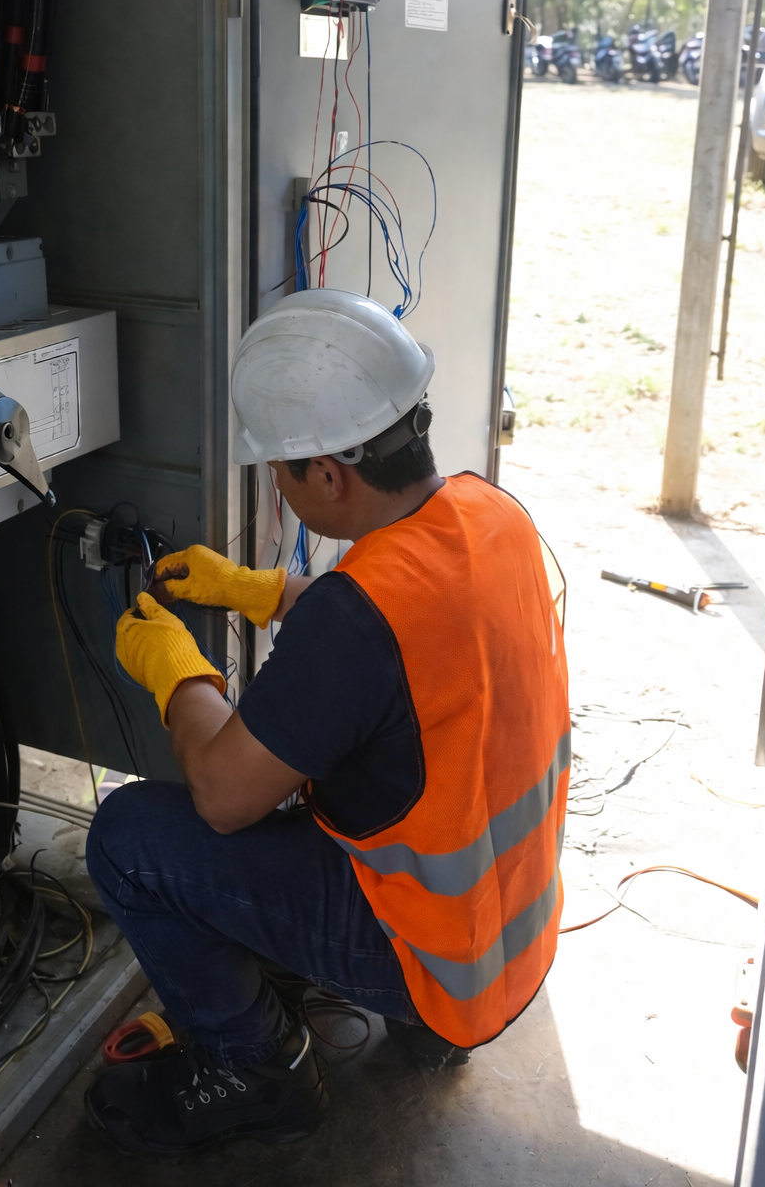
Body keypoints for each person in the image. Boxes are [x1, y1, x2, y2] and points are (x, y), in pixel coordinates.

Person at [84, 288, 570, 1158]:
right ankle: (430, 1024)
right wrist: (256, 590)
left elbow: (224, 794)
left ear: (328, 475)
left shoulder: (356, 621)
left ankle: (255, 1071)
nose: (275, 482)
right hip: (508, 942)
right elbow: (406, 634)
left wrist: (175, 669)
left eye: (277, 469)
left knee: (130, 838)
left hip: (423, 954)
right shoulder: (492, 516)